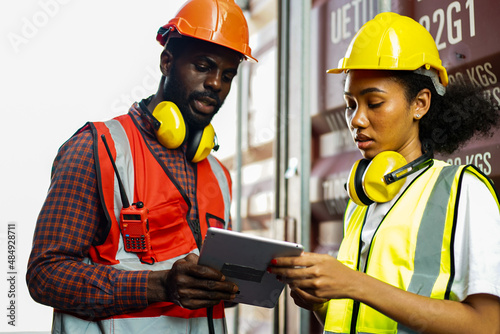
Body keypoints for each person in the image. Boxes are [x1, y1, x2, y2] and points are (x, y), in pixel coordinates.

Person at [26, 0, 257, 333]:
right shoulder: (97, 149)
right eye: (203, 66)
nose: (216, 84)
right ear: (167, 62)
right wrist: (160, 286)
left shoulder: (219, 176)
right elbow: (45, 275)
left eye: (228, 74)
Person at [268, 12, 500, 334]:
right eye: (351, 104)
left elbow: (489, 325)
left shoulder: (464, 191)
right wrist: (322, 302)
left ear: (420, 104)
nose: (356, 120)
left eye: (374, 103)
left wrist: (354, 284)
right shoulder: (362, 199)